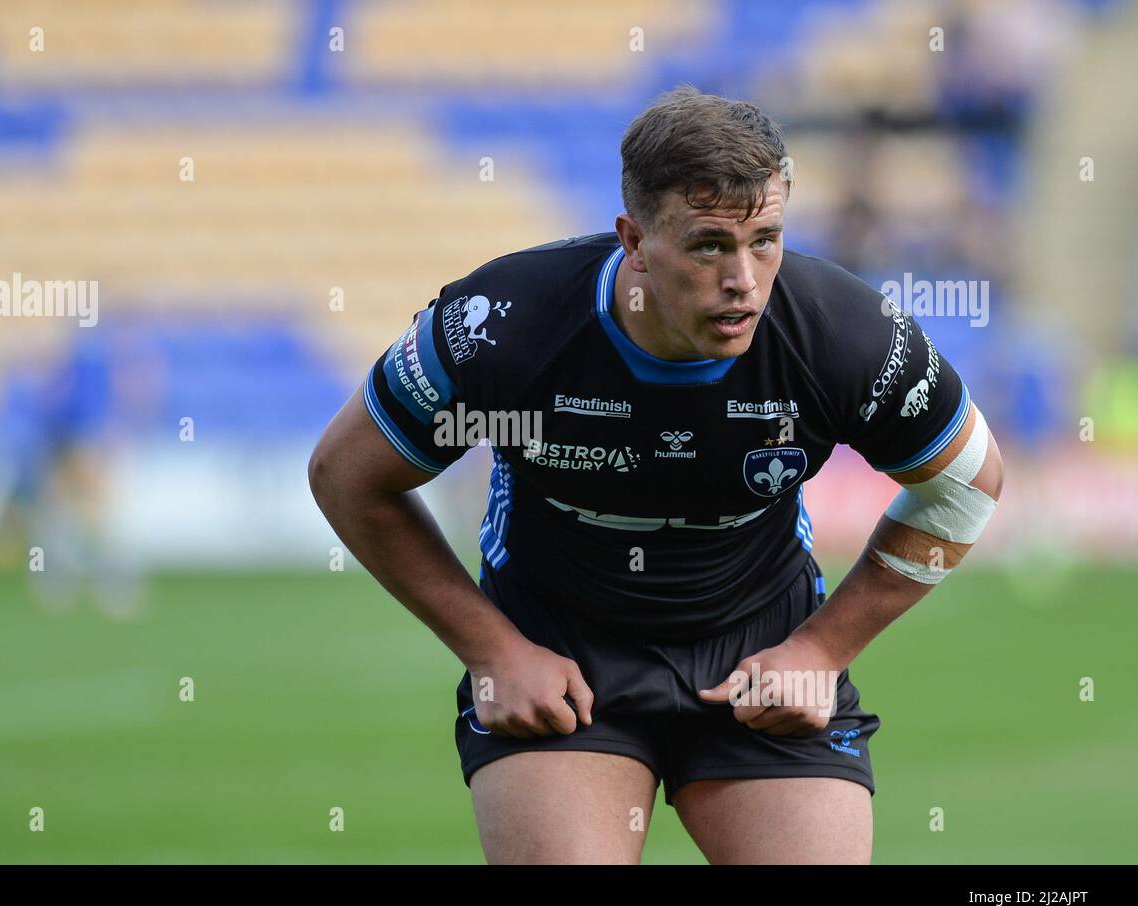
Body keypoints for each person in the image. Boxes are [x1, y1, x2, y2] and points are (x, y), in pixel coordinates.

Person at [308, 86, 1004, 864]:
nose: (743, 278)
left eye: (766, 239)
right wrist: (491, 649)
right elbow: (346, 472)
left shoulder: (843, 334)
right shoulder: (503, 323)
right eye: (709, 245)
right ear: (634, 239)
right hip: (559, 649)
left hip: (762, 647)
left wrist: (822, 651)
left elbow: (967, 484)